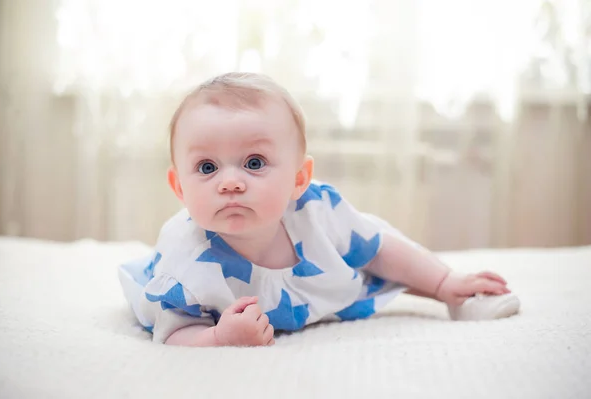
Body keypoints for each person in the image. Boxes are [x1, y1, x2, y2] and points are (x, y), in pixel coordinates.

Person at [118, 72, 520, 347]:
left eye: (254, 162)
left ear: (298, 178)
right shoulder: (184, 263)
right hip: (220, 313)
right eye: (207, 167)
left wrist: (443, 282)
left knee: (381, 261)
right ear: (179, 187)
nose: (230, 181)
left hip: (321, 277)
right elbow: (173, 333)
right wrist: (219, 337)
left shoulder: (315, 212)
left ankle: (456, 294)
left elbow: (377, 247)